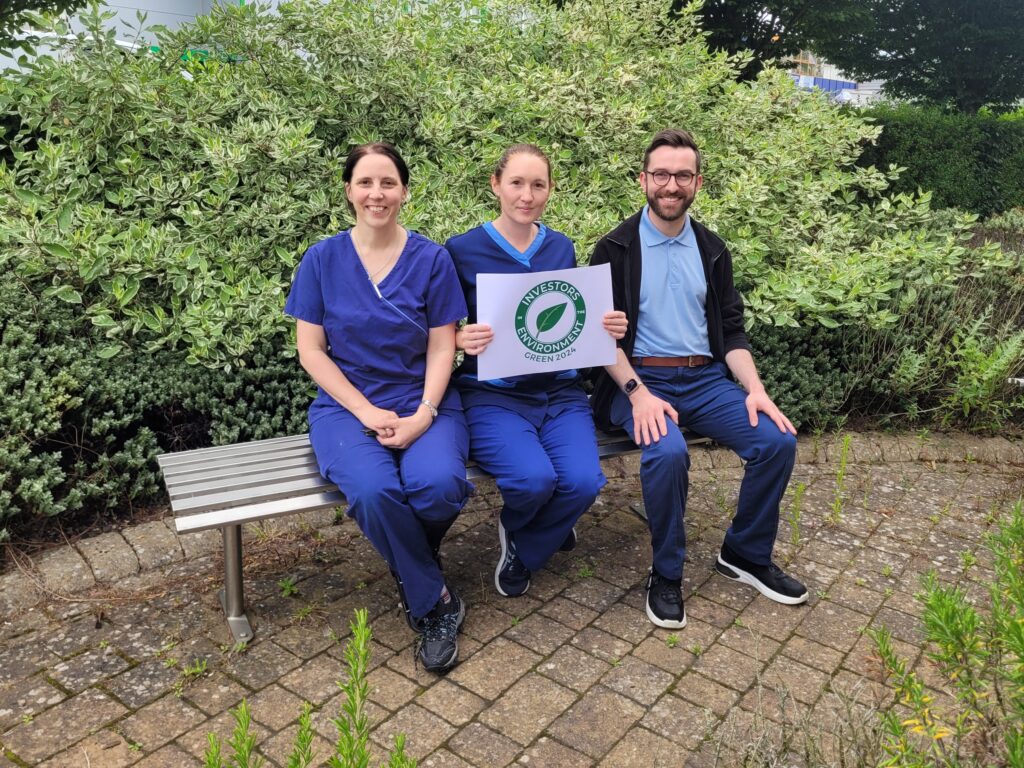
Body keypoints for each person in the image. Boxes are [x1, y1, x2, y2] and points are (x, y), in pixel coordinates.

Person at [589, 128, 808, 630]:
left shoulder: (712, 249)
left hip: (705, 379)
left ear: (697, 182)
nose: (671, 184)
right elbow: (601, 341)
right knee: (667, 452)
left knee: (776, 441)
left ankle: (745, 554)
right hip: (637, 376)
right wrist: (638, 394)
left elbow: (732, 332)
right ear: (643, 180)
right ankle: (667, 574)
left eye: (682, 175)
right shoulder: (614, 248)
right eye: (661, 174)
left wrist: (756, 389)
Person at [284, 142, 471, 673]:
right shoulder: (322, 260)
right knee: (372, 490)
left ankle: (409, 563)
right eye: (365, 182)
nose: (377, 193)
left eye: (388, 183)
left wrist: (424, 413)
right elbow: (311, 352)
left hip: (424, 397)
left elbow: (443, 344)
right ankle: (434, 601)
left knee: (437, 487)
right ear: (348, 191)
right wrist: (365, 411)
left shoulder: (432, 259)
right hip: (345, 406)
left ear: (404, 192)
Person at [445, 144, 628, 598]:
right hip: (493, 396)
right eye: (517, 183)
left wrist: (607, 324)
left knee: (585, 482)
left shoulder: (561, 246)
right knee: (533, 480)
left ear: (549, 190)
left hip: (560, 393)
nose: (527, 195)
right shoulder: (461, 250)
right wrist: (456, 338)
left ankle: (524, 541)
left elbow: (569, 317)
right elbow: (438, 328)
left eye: (538, 185)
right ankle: (539, 519)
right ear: (496, 185)